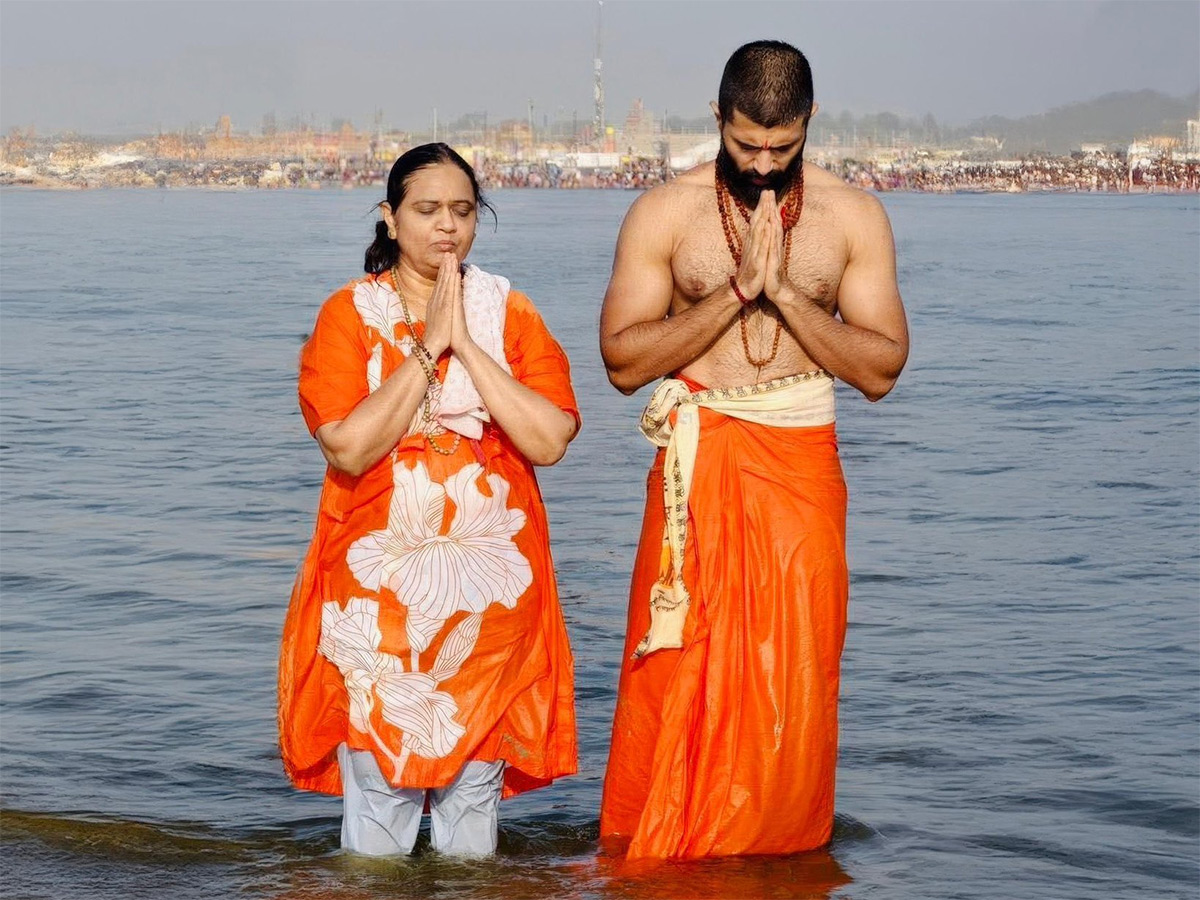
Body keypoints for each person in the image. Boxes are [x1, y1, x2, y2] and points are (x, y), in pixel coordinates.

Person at [598, 41, 909, 859]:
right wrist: (737, 294)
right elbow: (624, 363)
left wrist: (787, 301)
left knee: (794, 675)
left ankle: (778, 857)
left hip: (802, 467)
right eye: (745, 145)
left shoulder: (853, 218)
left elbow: (880, 368)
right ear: (717, 119)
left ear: (807, 124)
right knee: (674, 665)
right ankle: (661, 857)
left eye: (781, 146)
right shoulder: (666, 213)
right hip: (697, 467)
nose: (763, 165)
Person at [278, 143, 580, 857]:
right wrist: (425, 352)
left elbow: (549, 438)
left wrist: (467, 346)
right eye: (427, 210)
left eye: (463, 211)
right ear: (390, 218)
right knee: (379, 809)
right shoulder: (349, 314)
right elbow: (348, 446)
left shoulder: (509, 311)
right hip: (378, 596)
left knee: (473, 816)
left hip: (491, 596)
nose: (447, 226)